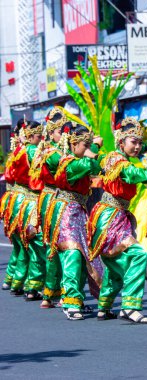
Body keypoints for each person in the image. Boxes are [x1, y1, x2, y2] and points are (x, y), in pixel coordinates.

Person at [88, 117, 147, 324]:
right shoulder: (118, 160)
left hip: (114, 215)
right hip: (110, 217)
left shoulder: (114, 157)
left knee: (116, 262)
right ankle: (130, 306)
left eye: (139, 142)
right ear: (121, 141)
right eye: (133, 141)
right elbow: (134, 175)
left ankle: (104, 306)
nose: (137, 146)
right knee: (138, 255)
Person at [44, 121, 103, 320]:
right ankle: (69, 301)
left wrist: (92, 151)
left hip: (79, 209)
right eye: (84, 145)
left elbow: (96, 168)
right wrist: (94, 150)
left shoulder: (77, 160)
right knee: (72, 255)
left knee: (83, 256)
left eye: (88, 144)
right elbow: (90, 165)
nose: (87, 148)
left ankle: (76, 299)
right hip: (66, 211)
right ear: (73, 144)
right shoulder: (69, 162)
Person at [29, 108, 67, 308]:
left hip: (53, 198)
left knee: (56, 245)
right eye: (61, 131)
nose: (65, 135)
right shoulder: (52, 152)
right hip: (55, 199)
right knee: (59, 245)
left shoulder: (55, 149)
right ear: (51, 133)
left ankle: (52, 292)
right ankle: (57, 292)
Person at [10, 120, 46, 300]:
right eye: (39, 136)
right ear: (31, 136)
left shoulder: (18, 150)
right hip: (32, 201)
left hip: (19, 199)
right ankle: (34, 285)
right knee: (37, 245)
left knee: (24, 244)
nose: (42, 139)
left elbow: (10, 175)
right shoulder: (34, 151)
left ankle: (17, 281)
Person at [1, 119, 26, 290]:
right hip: (22, 201)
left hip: (13, 200)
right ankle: (23, 283)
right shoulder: (24, 153)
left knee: (20, 245)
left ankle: (11, 278)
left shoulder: (15, 153)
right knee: (25, 245)